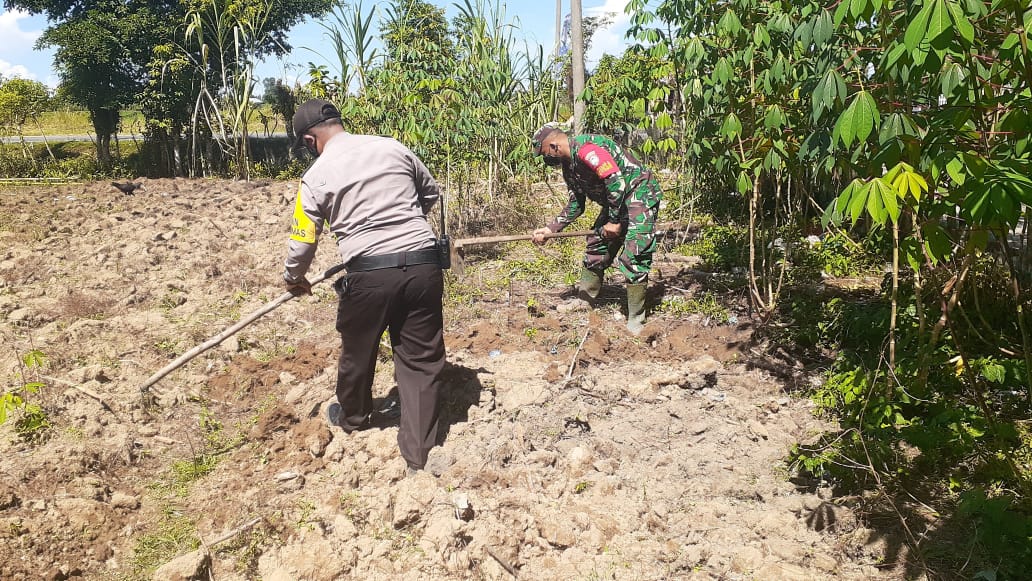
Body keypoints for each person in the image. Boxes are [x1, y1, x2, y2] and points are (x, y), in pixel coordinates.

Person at [282, 98, 446, 474]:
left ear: (310, 140)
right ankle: (418, 455)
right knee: (420, 358)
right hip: (423, 263)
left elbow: (304, 237)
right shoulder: (392, 147)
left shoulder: (316, 175)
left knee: (358, 347)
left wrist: (294, 277)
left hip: (370, 273)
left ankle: (354, 417)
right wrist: (402, 225)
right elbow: (430, 192)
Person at [530, 123, 663, 334]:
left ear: (554, 146)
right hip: (617, 203)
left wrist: (614, 222)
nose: (547, 160)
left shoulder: (587, 150)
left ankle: (636, 319)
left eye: (545, 154)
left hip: (639, 195)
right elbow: (576, 204)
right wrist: (550, 229)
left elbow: (616, 182)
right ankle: (585, 300)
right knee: (596, 245)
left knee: (634, 254)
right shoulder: (569, 166)